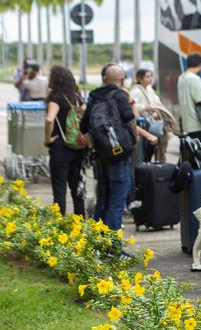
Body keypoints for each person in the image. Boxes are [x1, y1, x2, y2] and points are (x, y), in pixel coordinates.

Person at [80, 65, 137, 232]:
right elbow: (130, 120)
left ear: (103, 79)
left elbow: (83, 127)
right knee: (116, 203)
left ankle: (97, 244)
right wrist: (132, 141)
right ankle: (113, 248)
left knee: (103, 200)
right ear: (122, 80)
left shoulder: (94, 97)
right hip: (119, 157)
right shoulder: (120, 95)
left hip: (101, 156)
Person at [44, 65, 85, 216]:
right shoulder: (78, 97)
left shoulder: (55, 98)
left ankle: (60, 224)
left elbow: (49, 120)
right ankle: (80, 223)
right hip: (77, 146)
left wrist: (47, 138)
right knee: (78, 188)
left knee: (59, 189)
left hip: (60, 147)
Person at [131, 69, 174, 162]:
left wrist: (156, 111)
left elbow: (157, 102)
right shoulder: (136, 91)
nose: (150, 79)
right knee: (146, 149)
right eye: (147, 77)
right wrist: (144, 107)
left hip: (151, 121)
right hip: (143, 124)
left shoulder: (149, 89)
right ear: (140, 78)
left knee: (152, 147)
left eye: (151, 76)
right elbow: (132, 105)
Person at [177, 53, 201, 143]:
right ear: (200, 64)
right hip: (197, 125)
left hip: (186, 125)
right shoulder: (194, 79)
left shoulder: (181, 78)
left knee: (191, 155)